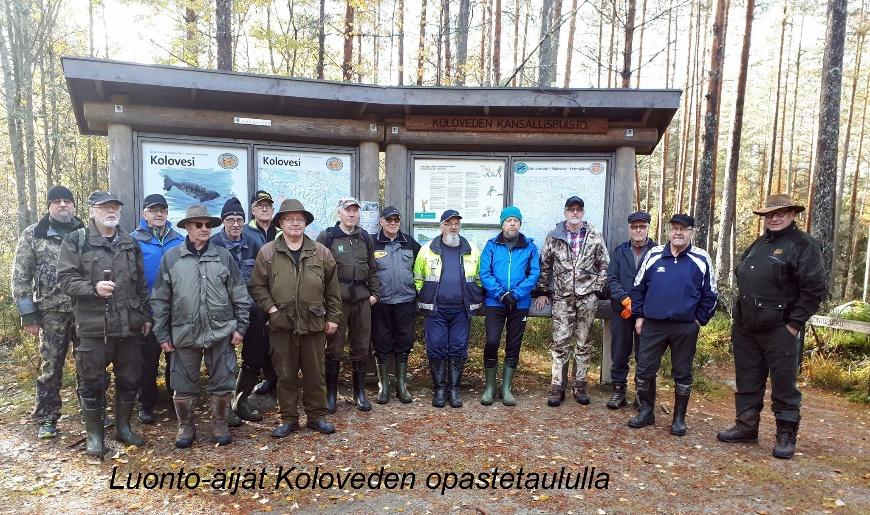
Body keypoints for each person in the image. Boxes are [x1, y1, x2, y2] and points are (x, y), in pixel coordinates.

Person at [717, 194, 827, 459]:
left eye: (780, 213)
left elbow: (815, 289)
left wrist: (794, 324)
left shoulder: (803, 245)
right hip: (746, 327)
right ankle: (746, 426)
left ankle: (786, 434)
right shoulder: (758, 244)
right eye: (769, 215)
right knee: (747, 379)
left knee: (784, 383)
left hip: (780, 329)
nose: (774, 218)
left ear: (792, 215)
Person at [56, 191, 151, 456]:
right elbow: (65, 279)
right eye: (105, 207)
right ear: (92, 211)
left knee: (130, 379)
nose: (111, 211)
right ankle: (94, 436)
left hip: (128, 327)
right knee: (92, 382)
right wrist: (93, 288)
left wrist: (144, 316)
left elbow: (140, 285)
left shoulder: (130, 243)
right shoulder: (76, 241)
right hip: (94, 327)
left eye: (115, 207)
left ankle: (123, 428)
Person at [150, 204, 251, 448]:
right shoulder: (172, 258)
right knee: (182, 383)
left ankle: (220, 423)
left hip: (220, 331)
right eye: (199, 224)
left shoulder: (223, 255)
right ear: (187, 227)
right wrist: (162, 333)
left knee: (223, 380)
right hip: (184, 332)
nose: (205, 229)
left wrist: (240, 327)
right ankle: (185, 426)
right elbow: (160, 299)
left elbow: (239, 293)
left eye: (208, 225)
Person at [249, 199, 342, 437]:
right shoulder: (268, 252)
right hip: (281, 325)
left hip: (314, 323)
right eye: (289, 219)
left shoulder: (321, 252)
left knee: (315, 373)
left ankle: (316, 417)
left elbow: (332, 289)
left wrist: (333, 318)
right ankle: (288, 419)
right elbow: (257, 286)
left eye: (299, 219)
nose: (294, 224)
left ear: (305, 223)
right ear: (280, 223)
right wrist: (271, 310)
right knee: (285, 374)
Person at [628, 214, 718, 436]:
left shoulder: (701, 258)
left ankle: (679, 419)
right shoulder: (654, 254)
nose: (678, 233)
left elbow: (711, 294)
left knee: (682, 372)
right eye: (675, 228)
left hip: (685, 327)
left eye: (684, 229)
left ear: (691, 232)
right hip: (653, 325)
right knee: (644, 369)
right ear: (668, 231)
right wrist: (639, 316)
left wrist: (699, 321)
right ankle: (646, 411)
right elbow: (638, 287)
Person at [12, 186, 85, 438]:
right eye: (56, 202)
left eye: (67, 201)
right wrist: (28, 315)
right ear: (49, 206)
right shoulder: (34, 234)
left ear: (74, 206)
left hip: (84, 311)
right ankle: (47, 418)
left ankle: (91, 411)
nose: (62, 205)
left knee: (88, 365)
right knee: (51, 367)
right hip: (51, 313)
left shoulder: (85, 233)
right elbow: (20, 276)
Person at [533, 196, 610, 407]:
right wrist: (542, 290)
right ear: (565, 212)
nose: (575, 213)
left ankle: (581, 385)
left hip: (587, 298)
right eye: (571, 209)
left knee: (583, 343)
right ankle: (557, 387)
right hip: (561, 298)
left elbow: (604, 264)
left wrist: (597, 289)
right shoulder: (554, 236)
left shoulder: (594, 235)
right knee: (560, 344)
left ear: (583, 212)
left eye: (578, 210)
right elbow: (544, 265)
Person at [413, 209, 484, 408]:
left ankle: (454, 390)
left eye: (456, 223)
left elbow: (478, 278)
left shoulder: (471, 249)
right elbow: (418, 277)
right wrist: (424, 295)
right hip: (436, 310)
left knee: (458, 348)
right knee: (436, 347)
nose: (453, 227)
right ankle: (439, 390)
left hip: (462, 310)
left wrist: (474, 296)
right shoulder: (427, 249)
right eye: (449, 223)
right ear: (441, 226)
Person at [317, 197, 380, 413]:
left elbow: (372, 267)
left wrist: (375, 293)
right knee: (334, 346)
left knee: (362, 346)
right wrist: (323, 300)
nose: (352, 214)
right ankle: (331, 395)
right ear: (339, 213)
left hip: (362, 299)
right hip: (337, 301)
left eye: (355, 211)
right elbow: (318, 271)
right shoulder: (328, 236)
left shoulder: (364, 237)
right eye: (348, 210)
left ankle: (359, 394)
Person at [210, 197, 267, 424]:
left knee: (254, 357)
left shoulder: (254, 242)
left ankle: (241, 401)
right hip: (223, 312)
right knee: (224, 361)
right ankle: (224, 410)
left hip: (253, 310)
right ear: (223, 221)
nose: (235, 224)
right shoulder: (213, 245)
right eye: (230, 220)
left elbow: (265, 276)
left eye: (239, 220)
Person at [130, 193, 184, 424]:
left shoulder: (179, 239)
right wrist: (141, 313)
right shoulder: (133, 240)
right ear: (145, 214)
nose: (159, 213)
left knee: (176, 359)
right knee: (147, 360)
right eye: (154, 210)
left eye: (162, 210)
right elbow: (130, 279)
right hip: (149, 312)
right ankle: (146, 404)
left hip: (175, 311)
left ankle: (176, 401)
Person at [478, 206, 540, 406]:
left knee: (513, 345)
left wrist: (516, 294)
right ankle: (490, 387)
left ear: (520, 224)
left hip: (519, 304)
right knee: (492, 342)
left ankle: (506, 387)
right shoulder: (491, 246)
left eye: (516, 220)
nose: (512, 223)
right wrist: (502, 294)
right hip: (495, 302)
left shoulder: (530, 247)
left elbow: (534, 274)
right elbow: (484, 273)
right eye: (508, 220)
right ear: (502, 224)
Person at [605, 211, 656, 410]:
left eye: (642, 227)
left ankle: (642, 395)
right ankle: (618, 391)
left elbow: (658, 284)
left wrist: (638, 308)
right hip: (622, 312)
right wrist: (625, 299)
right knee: (619, 353)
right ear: (629, 228)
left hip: (648, 315)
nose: (638, 230)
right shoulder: (620, 251)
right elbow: (612, 279)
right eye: (634, 227)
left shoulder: (658, 251)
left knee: (646, 356)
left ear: (648, 228)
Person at [371, 206, 421, 404]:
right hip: (380, 302)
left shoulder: (409, 242)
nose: (393, 223)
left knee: (404, 341)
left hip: (405, 301)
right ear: (381, 221)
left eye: (396, 220)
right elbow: (367, 270)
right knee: (381, 342)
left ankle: (401, 385)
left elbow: (422, 265)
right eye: (389, 220)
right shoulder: (372, 243)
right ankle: (384, 386)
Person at [244, 190, 279, 397]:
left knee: (278, 341)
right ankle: (252, 385)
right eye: (260, 205)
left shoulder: (281, 231)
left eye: (268, 205)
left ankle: (275, 379)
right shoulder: (244, 232)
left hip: (279, 297)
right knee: (256, 342)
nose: (265, 209)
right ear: (253, 210)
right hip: (255, 299)